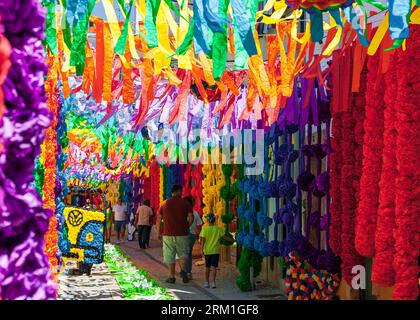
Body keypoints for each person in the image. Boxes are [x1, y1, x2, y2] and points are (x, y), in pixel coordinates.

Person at [156, 185, 193, 284]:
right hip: (183, 233)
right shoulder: (185, 203)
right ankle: (183, 270)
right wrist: (187, 226)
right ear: (179, 191)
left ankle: (171, 277)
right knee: (183, 254)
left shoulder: (164, 204)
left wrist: (158, 232)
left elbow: (158, 219)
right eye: (181, 191)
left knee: (169, 255)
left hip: (168, 233)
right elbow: (191, 217)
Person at [199, 212, 234, 288]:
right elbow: (225, 237)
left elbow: (202, 241)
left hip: (207, 251)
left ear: (207, 221)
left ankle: (206, 282)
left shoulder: (204, 229)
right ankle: (213, 283)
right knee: (214, 267)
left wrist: (201, 250)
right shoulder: (218, 229)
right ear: (214, 220)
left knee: (207, 267)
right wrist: (232, 240)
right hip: (215, 251)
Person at [182, 196, 202, 280]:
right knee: (188, 253)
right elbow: (199, 225)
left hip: (185, 235)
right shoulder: (195, 213)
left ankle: (185, 271)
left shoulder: (183, 212)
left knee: (184, 253)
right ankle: (188, 272)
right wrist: (197, 234)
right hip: (192, 235)